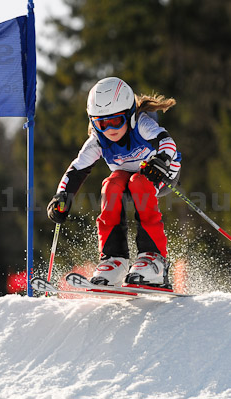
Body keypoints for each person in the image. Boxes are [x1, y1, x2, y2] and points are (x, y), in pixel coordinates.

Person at [47, 77, 181, 289]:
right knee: (111, 186)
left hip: (160, 172)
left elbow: (167, 142)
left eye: (116, 121)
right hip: (127, 176)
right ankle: (114, 260)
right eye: (102, 123)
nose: (109, 129)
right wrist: (62, 196)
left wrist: (161, 161)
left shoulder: (142, 123)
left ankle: (154, 260)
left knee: (139, 182)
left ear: (128, 115)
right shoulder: (98, 140)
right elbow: (77, 169)